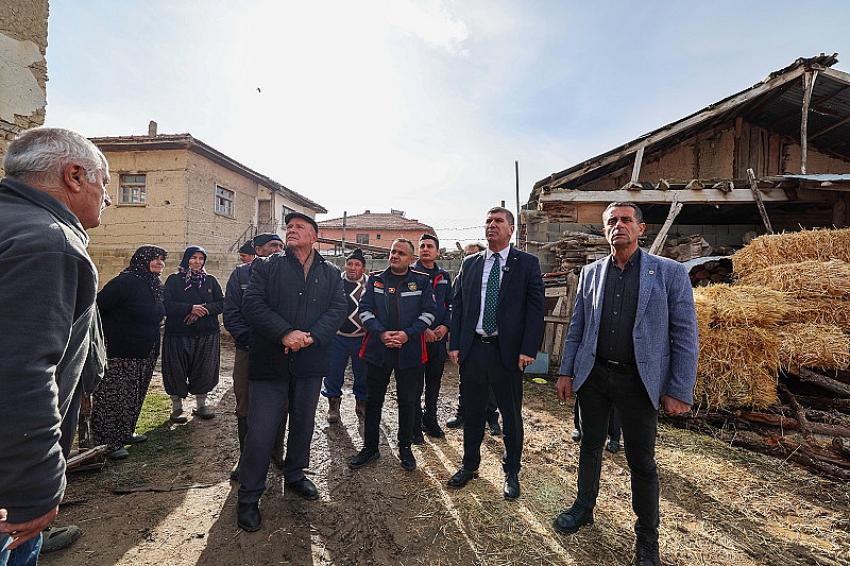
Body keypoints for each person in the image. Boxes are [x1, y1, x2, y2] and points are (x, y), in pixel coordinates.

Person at [552, 202, 698, 566]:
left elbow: (684, 334)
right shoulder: (590, 273)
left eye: (626, 220)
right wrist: (567, 371)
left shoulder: (669, 273)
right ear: (605, 231)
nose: (619, 226)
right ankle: (584, 507)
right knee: (589, 445)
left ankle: (647, 537)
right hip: (595, 377)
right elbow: (577, 328)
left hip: (639, 381)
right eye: (611, 221)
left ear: (641, 228)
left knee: (642, 461)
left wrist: (679, 388)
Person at [0, 127, 111, 565]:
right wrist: (34, 490)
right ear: (74, 176)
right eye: (104, 182)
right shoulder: (48, 243)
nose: (107, 197)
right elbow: (20, 373)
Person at [236, 212, 346, 532]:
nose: (291, 230)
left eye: (299, 227)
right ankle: (249, 496)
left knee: (303, 423)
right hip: (270, 363)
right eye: (289, 227)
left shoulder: (330, 273)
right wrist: (285, 333)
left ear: (315, 236)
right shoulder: (266, 266)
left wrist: (310, 337)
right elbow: (253, 305)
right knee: (261, 430)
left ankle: (295, 475)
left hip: (310, 363)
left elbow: (337, 309)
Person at [446, 207, 544, 500]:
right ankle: (469, 465)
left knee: (511, 416)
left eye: (498, 221)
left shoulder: (526, 263)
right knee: (473, 411)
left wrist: (528, 349)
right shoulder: (471, 263)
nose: (492, 225)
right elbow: (459, 304)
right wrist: (455, 343)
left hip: (508, 354)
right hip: (475, 350)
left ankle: (511, 470)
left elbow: (536, 310)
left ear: (511, 229)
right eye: (488, 221)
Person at [348, 239, 437, 472]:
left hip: (410, 352)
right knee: (373, 400)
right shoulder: (376, 279)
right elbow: (364, 310)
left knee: (408, 401)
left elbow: (429, 313)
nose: (394, 255)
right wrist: (381, 332)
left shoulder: (422, 282)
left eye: (401, 253)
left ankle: (405, 447)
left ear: (411, 258)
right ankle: (370, 447)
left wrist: (408, 334)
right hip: (379, 350)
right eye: (392, 251)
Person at [90, 245, 168, 460]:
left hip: (145, 350)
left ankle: (125, 432)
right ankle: (107, 442)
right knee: (113, 397)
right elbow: (97, 307)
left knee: (133, 396)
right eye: (154, 259)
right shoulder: (125, 282)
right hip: (121, 351)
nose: (159, 263)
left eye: (162, 259)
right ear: (141, 260)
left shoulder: (155, 285)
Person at [223, 233, 285, 480]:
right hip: (248, 350)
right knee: (245, 402)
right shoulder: (241, 275)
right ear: (258, 250)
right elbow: (231, 313)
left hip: (281, 352)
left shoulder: (290, 276)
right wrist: (252, 341)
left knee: (282, 403)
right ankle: (246, 457)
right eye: (273, 245)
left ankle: (276, 451)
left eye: (281, 245)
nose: (278, 249)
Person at [162, 246, 224, 422]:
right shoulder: (174, 280)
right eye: (193, 258)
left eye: (201, 258)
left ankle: (201, 404)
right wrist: (189, 308)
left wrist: (203, 310)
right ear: (186, 259)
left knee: (204, 368)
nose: (197, 262)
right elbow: (166, 305)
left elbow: (221, 303)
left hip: (206, 333)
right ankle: (177, 407)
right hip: (178, 334)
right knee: (177, 369)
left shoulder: (210, 281)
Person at [446, 242, 502, 436]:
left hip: (495, 341)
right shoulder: (464, 274)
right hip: (469, 340)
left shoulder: (493, 276)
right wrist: (455, 342)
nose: (468, 258)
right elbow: (457, 306)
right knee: (466, 381)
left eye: (473, 254)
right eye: (466, 255)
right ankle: (462, 413)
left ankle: (491, 417)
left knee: (494, 384)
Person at [321, 248, 369, 424]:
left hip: (362, 337)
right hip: (337, 337)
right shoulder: (335, 282)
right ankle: (333, 404)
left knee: (362, 372)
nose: (352, 267)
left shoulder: (371, 284)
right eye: (349, 263)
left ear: (363, 268)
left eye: (357, 264)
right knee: (333, 371)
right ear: (345, 265)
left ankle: (361, 402)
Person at [411, 234, 451, 441]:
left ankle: (431, 419)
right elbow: (406, 308)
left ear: (437, 251)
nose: (425, 249)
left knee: (434, 382)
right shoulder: (410, 275)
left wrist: (445, 326)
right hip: (417, 340)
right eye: (422, 246)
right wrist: (422, 329)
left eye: (430, 246)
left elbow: (451, 304)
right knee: (415, 384)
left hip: (439, 338)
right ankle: (415, 424)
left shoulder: (444, 276)